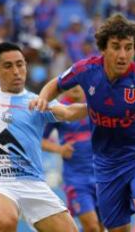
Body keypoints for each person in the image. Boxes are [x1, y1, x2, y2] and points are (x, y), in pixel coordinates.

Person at [29, 13, 135, 232]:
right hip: (106, 167)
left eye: (129, 47)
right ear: (104, 48)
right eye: (116, 47)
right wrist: (42, 98)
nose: (123, 55)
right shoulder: (86, 70)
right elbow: (56, 84)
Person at [0, 42, 79, 232]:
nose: (16, 71)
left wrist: (100, 107)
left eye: (20, 64)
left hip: (34, 184)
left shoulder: (38, 102)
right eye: (8, 66)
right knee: (6, 220)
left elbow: (69, 112)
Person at [42, 86, 104, 232]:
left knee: (101, 227)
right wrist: (60, 149)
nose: (75, 87)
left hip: (101, 175)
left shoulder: (95, 105)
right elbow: (39, 140)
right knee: (92, 226)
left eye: (78, 83)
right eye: (70, 84)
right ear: (63, 87)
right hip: (76, 179)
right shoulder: (57, 109)